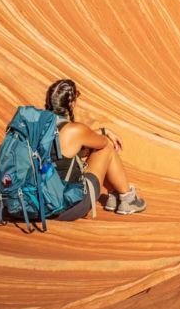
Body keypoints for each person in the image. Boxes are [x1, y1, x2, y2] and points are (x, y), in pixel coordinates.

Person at [44, 79, 146, 218]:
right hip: (67, 205)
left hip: (39, 201)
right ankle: (127, 198)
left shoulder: (36, 126)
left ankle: (114, 195)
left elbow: (79, 139)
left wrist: (102, 131)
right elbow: (101, 143)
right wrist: (105, 134)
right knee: (107, 147)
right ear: (71, 103)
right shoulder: (74, 130)